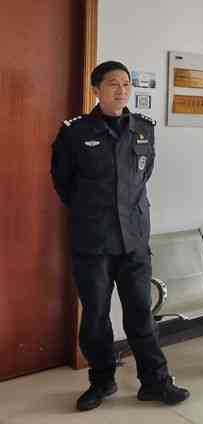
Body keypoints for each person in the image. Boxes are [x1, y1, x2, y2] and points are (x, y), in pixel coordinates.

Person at [51, 61, 190, 412]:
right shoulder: (74, 132)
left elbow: (143, 177)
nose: (121, 90)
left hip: (134, 239)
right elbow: (63, 183)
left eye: (126, 84)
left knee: (141, 312)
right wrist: (94, 210)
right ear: (96, 89)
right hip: (93, 240)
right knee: (96, 314)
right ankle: (102, 380)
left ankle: (155, 382)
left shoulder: (143, 129)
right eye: (113, 83)